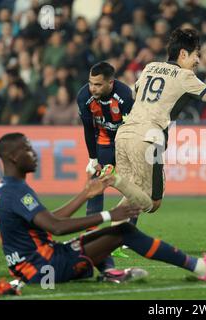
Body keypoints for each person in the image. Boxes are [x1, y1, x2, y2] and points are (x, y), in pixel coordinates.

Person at [0, 132, 206, 286]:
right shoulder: (16, 191)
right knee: (123, 231)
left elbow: (50, 219)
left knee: (94, 236)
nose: (34, 154)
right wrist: (109, 215)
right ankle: (201, 268)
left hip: (33, 268)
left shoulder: (7, 188)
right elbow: (56, 227)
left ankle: (110, 273)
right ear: (13, 157)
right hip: (45, 269)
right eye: (28, 149)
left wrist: (86, 194)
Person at [107, 28, 206, 216]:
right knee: (153, 203)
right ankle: (113, 179)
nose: (198, 60)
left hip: (124, 135)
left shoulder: (149, 67)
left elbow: (134, 95)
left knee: (132, 195)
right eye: (196, 55)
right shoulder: (185, 77)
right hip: (147, 138)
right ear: (183, 53)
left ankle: (115, 238)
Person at [77, 61, 135, 268]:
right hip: (103, 141)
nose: (93, 88)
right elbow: (87, 129)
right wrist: (93, 158)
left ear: (111, 83)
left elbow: (133, 126)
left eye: (98, 85)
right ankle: (92, 235)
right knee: (96, 182)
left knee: (134, 188)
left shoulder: (126, 96)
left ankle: (125, 236)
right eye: (91, 83)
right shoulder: (84, 97)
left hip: (125, 141)